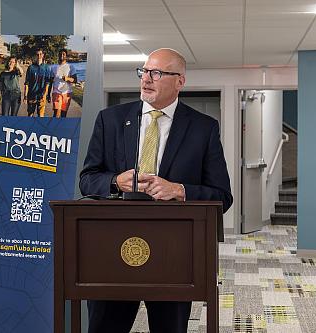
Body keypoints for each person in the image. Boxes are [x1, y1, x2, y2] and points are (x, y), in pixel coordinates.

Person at [79, 48, 233, 333]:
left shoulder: (203, 128)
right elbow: (87, 179)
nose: (146, 79)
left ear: (180, 81)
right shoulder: (110, 119)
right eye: (144, 71)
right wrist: (115, 181)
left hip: (172, 254)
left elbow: (222, 196)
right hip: (111, 251)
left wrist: (180, 189)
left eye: (157, 73)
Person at [49, 49, 77, 118]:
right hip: (56, 92)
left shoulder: (71, 67)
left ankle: (61, 128)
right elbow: (50, 82)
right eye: (60, 54)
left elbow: (75, 80)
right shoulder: (53, 67)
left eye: (63, 54)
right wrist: (48, 94)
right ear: (58, 55)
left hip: (67, 93)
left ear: (66, 56)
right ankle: (53, 128)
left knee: (63, 114)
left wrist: (67, 78)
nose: (61, 55)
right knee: (56, 113)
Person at [23, 48, 51, 117]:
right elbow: (27, 83)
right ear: (35, 55)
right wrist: (25, 96)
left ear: (43, 55)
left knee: (41, 115)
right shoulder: (31, 67)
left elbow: (47, 83)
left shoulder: (46, 68)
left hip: (41, 95)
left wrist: (44, 95)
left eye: (40, 54)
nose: (39, 56)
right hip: (31, 95)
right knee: (30, 115)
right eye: (37, 54)